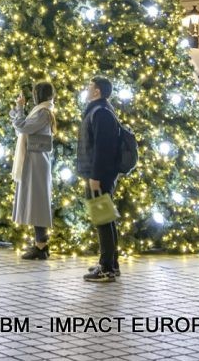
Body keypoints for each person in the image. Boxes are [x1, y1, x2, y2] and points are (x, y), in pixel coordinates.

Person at [76, 75, 121, 282]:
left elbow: (103, 149)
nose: (86, 89)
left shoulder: (101, 113)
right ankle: (111, 263)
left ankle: (106, 268)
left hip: (99, 176)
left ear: (97, 92)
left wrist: (96, 176)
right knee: (106, 218)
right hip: (99, 174)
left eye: (89, 87)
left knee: (103, 220)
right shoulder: (99, 110)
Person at [10, 81, 56, 260]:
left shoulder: (44, 112)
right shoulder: (42, 110)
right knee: (35, 201)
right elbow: (22, 128)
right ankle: (39, 243)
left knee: (38, 202)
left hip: (36, 161)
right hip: (33, 160)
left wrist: (19, 110)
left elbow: (23, 127)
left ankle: (41, 246)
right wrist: (17, 112)